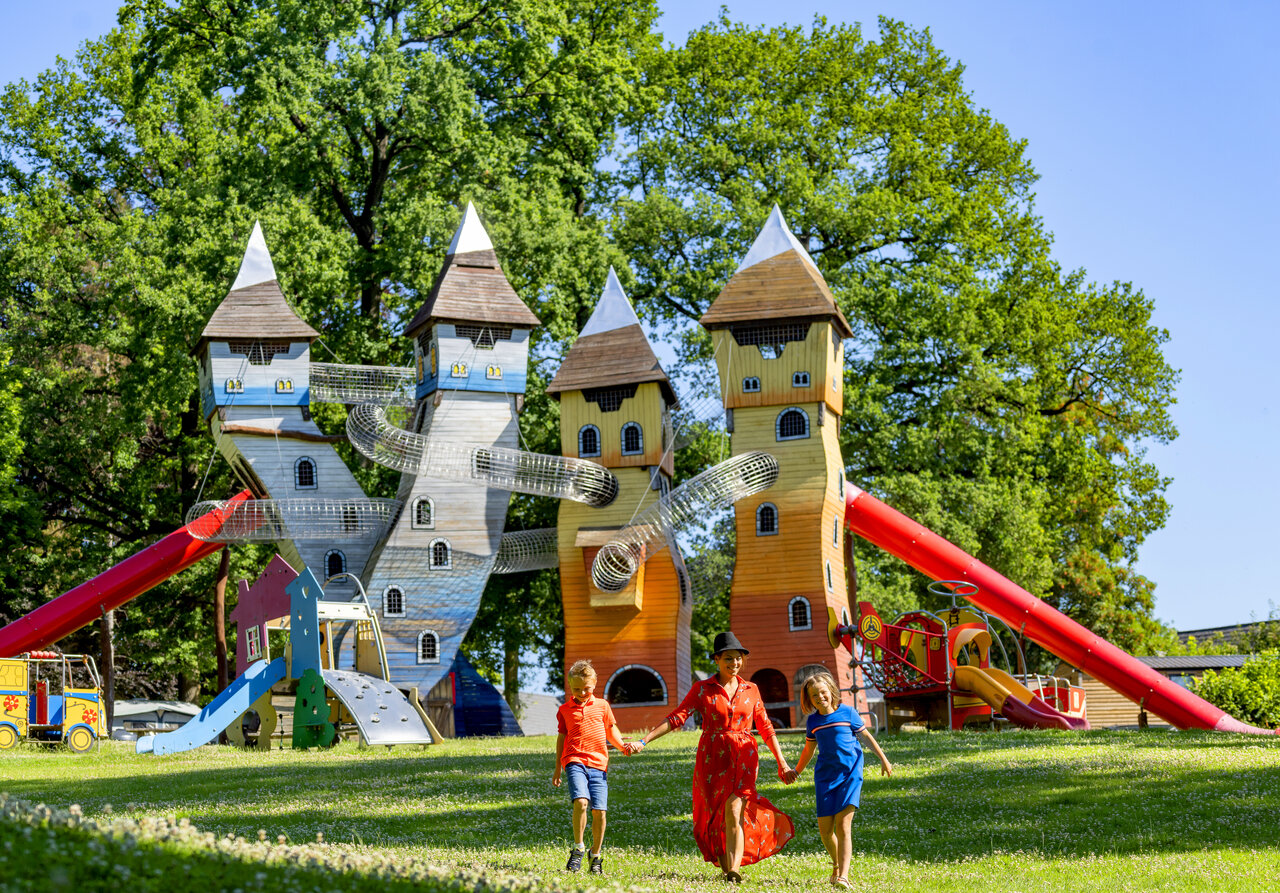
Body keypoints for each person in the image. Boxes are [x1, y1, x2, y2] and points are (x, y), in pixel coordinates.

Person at [628, 632, 793, 883]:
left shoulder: (752, 690)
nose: (734, 664)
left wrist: (782, 762)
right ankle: (728, 870)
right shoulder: (702, 689)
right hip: (712, 758)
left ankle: (735, 869)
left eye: (738, 659)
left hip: (744, 755)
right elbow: (677, 718)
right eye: (728, 658)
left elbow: (767, 728)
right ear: (716, 659)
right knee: (717, 817)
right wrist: (644, 740)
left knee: (735, 809)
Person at [787, 670, 893, 888]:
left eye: (823, 693)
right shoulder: (813, 721)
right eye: (814, 696)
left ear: (831, 691)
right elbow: (808, 750)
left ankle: (844, 876)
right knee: (825, 831)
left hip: (850, 775)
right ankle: (836, 865)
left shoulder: (848, 713)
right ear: (809, 700)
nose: (820, 698)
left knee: (843, 826)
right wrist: (796, 771)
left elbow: (866, 736)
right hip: (825, 778)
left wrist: (883, 759)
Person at [552, 659, 629, 875]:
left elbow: (611, 730)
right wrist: (558, 767)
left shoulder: (603, 706)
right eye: (577, 689)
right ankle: (578, 848)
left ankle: (595, 855)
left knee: (600, 812)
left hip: (599, 764)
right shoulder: (565, 709)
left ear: (594, 684)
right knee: (582, 802)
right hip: (574, 760)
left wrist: (622, 747)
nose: (582, 693)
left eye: (586, 688)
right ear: (570, 687)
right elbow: (561, 737)